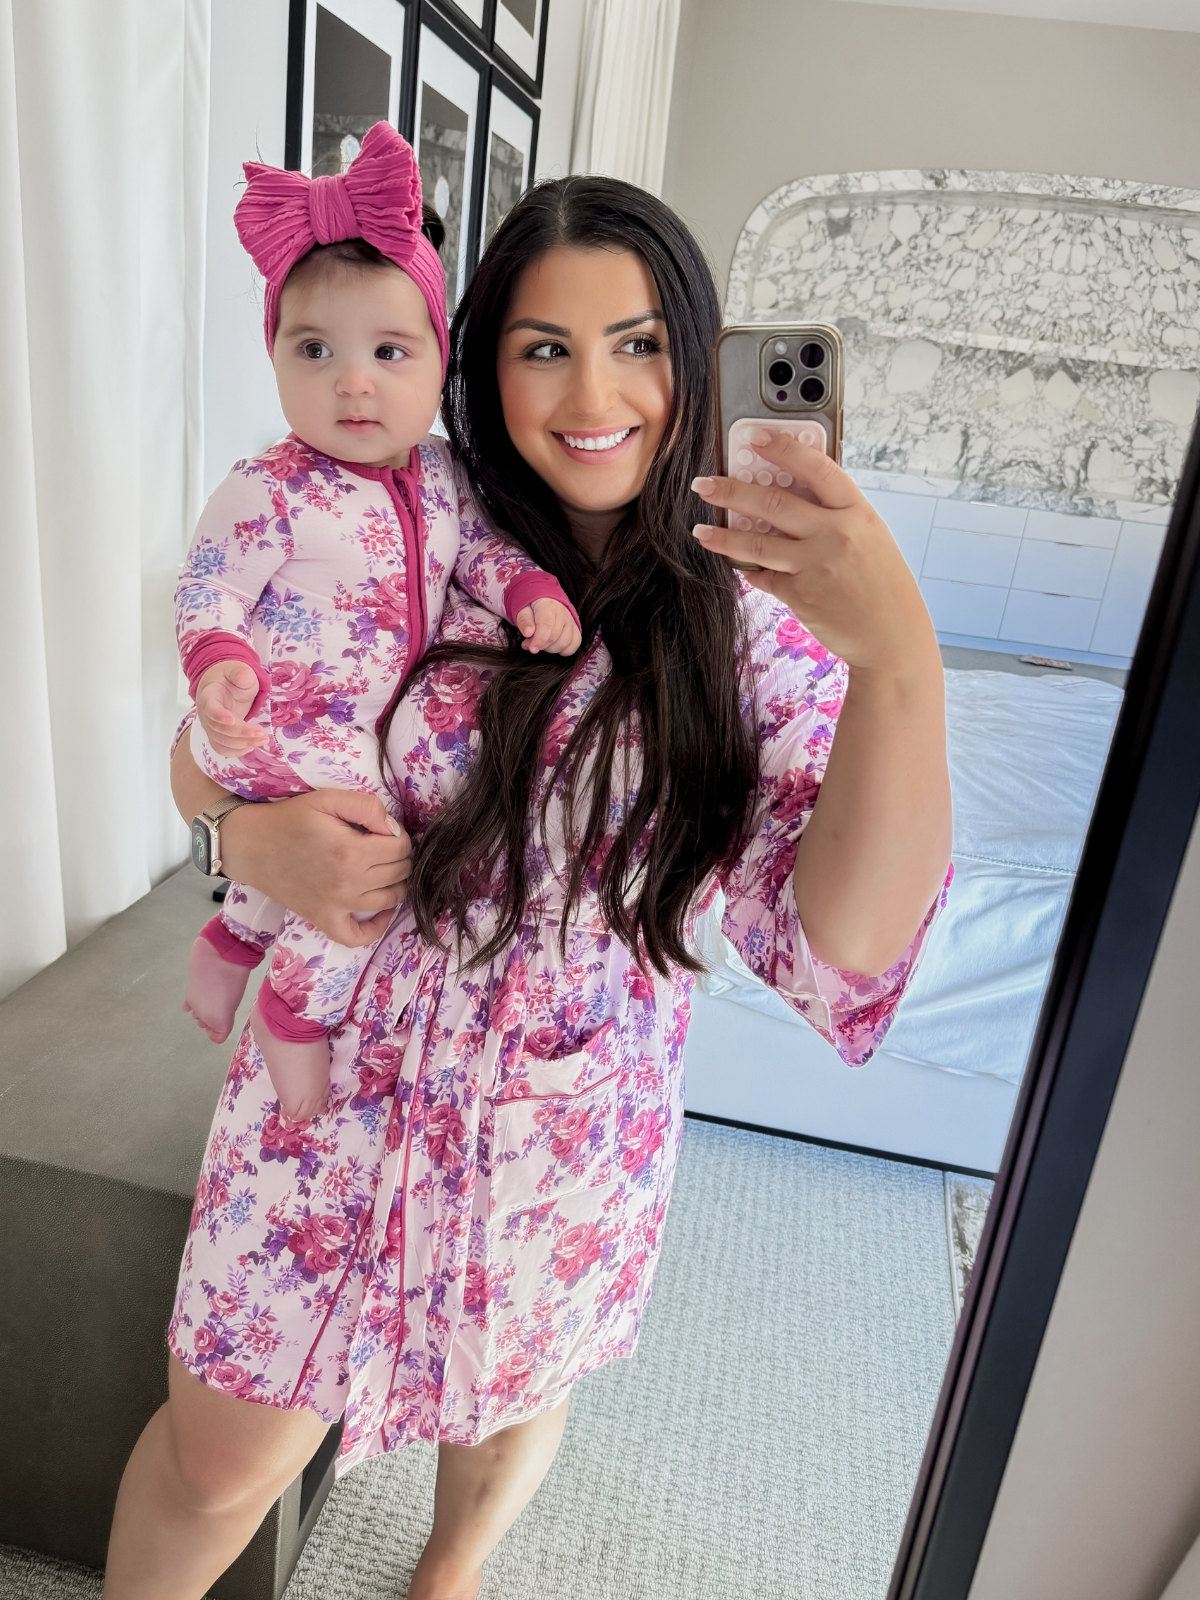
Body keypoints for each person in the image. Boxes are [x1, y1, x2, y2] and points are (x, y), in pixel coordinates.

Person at [104, 175, 951, 1600]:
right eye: (544, 346)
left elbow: (849, 939)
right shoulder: (404, 518)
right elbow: (211, 759)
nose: (593, 393)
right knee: (215, 1462)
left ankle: (450, 1568)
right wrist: (246, 842)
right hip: (331, 1112)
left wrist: (901, 664)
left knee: (512, 1389)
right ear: (482, 361)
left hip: (564, 1131)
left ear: (696, 357)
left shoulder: (752, 634)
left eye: (639, 344)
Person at [179, 123, 579, 1123]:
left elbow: (476, 556)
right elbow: (208, 588)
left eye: (388, 350)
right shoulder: (267, 487)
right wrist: (219, 660)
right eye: (314, 348)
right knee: (369, 858)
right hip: (286, 722)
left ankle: (232, 942)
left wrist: (528, 590)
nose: (352, 380)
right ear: (273, 357)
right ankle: (294, 1007)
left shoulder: (441, 471)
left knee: (343, 829)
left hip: (357, 722)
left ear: (441, 359)